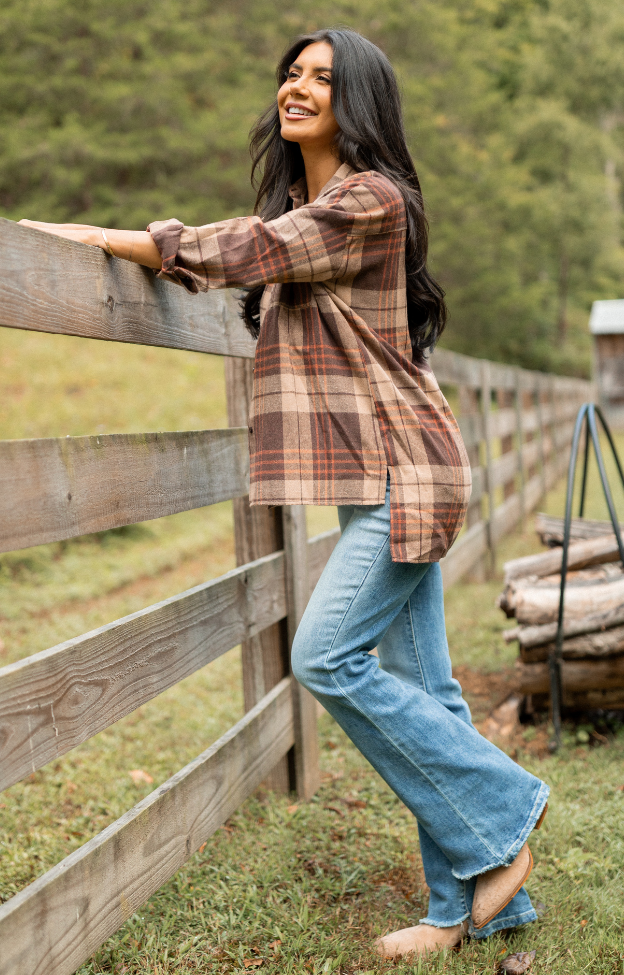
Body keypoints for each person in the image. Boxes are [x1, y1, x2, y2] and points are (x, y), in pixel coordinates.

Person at [20, 27, 549, 959]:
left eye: (324, 78)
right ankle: (472, 906)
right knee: (426, 688)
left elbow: (250, 246)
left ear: (361, 101)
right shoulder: (313, 209)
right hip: (378, 471)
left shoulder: (372, 199)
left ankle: (506, 815)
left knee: (325, 657)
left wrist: (105, 236)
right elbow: (269, 246)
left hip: (404, 471)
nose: (298, 87)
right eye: (292, 73)